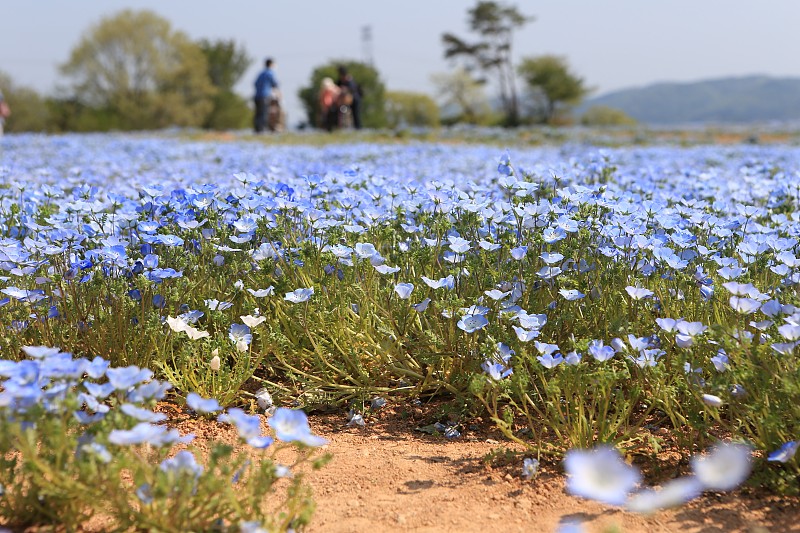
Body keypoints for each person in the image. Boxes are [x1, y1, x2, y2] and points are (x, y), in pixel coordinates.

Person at [253, 58, 278, 133]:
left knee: (258, 113)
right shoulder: (270, 73)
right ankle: (262, 130)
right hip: (264, 96)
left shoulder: (261, 73)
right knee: (264, 113)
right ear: (271, 64)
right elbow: (275, 84)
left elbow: (255, 83)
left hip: (257, 95)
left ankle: (257, 129)